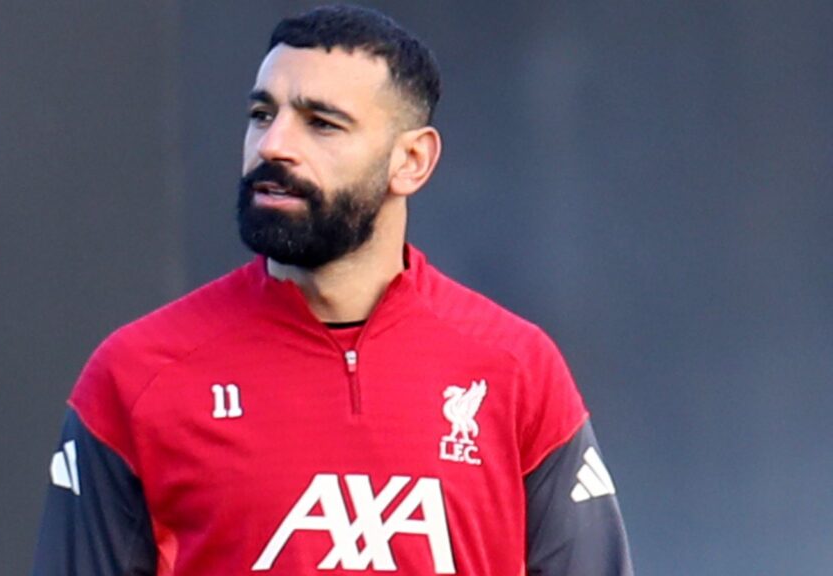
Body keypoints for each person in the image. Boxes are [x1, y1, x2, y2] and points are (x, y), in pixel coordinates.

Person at [32, 5, 632, 575]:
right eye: (262, 114)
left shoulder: (517, 370)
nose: (273, 146)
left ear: (412, 161)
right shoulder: (137, 374)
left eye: (321, 123)